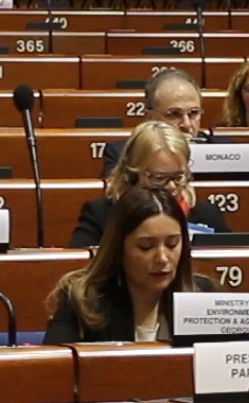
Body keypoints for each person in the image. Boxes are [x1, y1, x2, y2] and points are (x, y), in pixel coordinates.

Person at [45, 187, 212, 343]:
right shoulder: (84, 301)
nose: (162, 258)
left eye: (172, 244)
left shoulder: (203, 296)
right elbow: (56, 362)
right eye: (146, 246)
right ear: (118, 248)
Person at [70, 121, 231, 247]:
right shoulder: (102, 216)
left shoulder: (207, 215)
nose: (171, 187)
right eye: (159, 178)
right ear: (132, 175)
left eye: (179, 177)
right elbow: (79, 271)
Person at [99, 69, 217, 178]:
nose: (186, 124)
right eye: (174, 114)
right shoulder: (124, 154)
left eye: (194, 113)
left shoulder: (221, 149)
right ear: (151, 117)